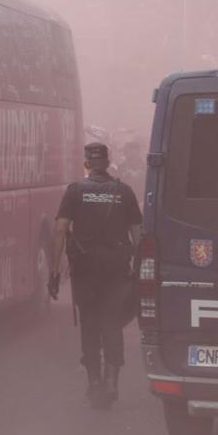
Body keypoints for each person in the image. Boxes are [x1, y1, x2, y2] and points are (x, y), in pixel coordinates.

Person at [48, 140, 143, 409]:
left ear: (87, 164)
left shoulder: (75, 191)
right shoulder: (123, 192)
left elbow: (59, 230)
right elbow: (138, 235)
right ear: (108, 162)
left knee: (89, 325)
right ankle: (112, 379)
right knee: (112, 323)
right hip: (115, 270)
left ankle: (94, 382)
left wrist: (54, 272)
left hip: (85, 271)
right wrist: (139, 271)